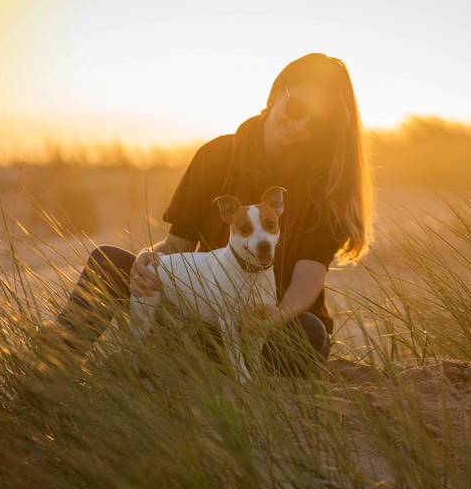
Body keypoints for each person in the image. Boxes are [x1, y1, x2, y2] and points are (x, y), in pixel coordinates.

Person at [45, 52, 375, 377]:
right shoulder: (216, 156)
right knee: (108, 261)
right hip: (203, 309)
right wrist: (147, 261)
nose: (300, 125)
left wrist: (276, 315)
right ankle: (51, 367)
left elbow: (309, 275)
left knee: (311, 334)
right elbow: (177, 247)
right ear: (276, 95)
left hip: (277, 325)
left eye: (317, 123)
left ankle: (166, 359)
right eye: (297, 108)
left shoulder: (325, 184)